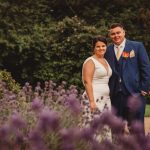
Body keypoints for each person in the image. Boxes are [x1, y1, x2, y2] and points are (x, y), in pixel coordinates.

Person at [105, 23, 150, 129]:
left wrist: (144, 87)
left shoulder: (137, 46)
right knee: (116, 130)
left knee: (136, 129)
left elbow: (146, 68)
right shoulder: (107, 50)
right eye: (113, 34)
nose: (116, 36)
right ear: (110, 36)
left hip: (135, 94)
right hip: (115, 96)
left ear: (124, 33)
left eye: (118, 33)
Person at [81, 35, 112, 141]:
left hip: (106, 99)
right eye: (98, 46)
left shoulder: (105, 61)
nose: (101, 48)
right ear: (93, 48)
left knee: (106, 127)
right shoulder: (90, 61)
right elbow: (87, 81)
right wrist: (92, 101)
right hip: (94, 98)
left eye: (103, 46)